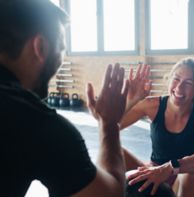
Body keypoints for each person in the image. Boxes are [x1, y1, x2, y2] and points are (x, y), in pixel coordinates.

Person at [0, 0, 128, 196]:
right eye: (60, 49)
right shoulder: (33, 121)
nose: (61, 59)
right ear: (40, 47)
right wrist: (109, 124)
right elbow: (109, 193)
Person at [121, 57, 194, 197]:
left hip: (182, 177)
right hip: (154, 169)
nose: (179, 87)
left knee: (193, 175)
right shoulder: (152, 105)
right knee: (116, 150)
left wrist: (171, 167)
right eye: (176, 79)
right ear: (169, 80)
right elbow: (111, 126)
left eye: (188, 83)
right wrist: (131, 101)